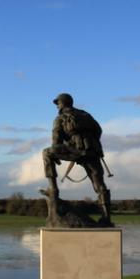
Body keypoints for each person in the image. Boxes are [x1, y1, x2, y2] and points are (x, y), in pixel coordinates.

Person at [41, 93, 111, 224]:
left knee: (46, 153)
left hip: (75, 150)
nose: (57, 106)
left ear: (63, 103)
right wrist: (90, 142)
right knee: (99, 185)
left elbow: (56, 140)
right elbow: (98, 130)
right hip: (92, 151)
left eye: (58, 103)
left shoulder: (61, 118)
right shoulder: (85, 114)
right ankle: (106, 218)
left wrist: (59, 153)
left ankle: (53, 189)